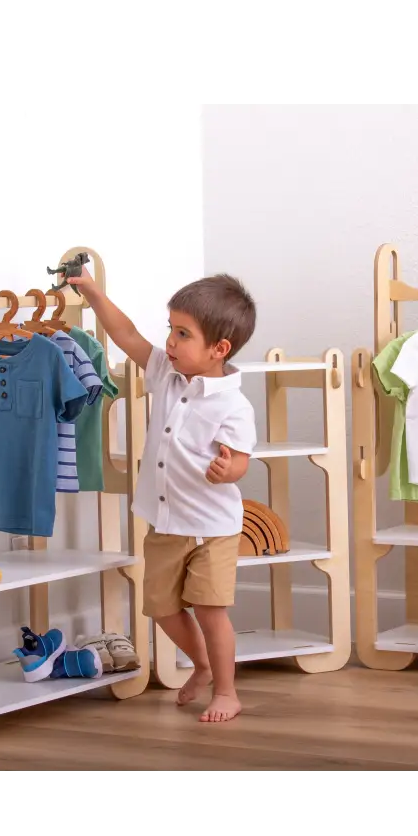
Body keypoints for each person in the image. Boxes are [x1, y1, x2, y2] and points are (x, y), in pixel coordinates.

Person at [67, 266, 257, 723]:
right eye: (170, 329)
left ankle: (227, 691)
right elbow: (127, 334)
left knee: (212, 612)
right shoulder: (165, 375)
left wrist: (228, 468)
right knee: (163, 609)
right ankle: (204, 665)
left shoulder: (233, 404)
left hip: (212, 529)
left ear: (219, 349)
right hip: (166, 523)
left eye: (182, 334)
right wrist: (93, 291)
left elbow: (242, 461)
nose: (170, 342)